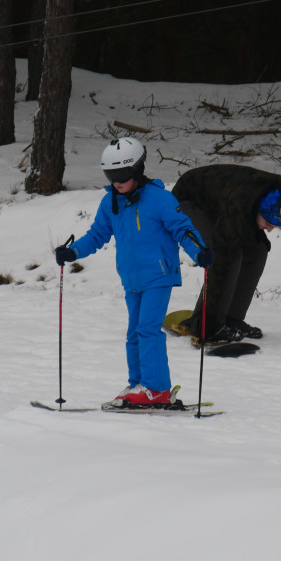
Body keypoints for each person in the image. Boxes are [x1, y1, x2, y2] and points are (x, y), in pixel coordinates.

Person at [54, 137, 213, 407]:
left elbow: (182, 228)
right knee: (134, 333)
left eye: (122, 175)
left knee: (148, 330)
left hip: (159, 275)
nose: (117, 182)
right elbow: (97, 235)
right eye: (111, 175)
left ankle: (157, 388)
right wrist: (74, 252)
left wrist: (199, 251)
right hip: (132, 278)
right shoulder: (111, 203)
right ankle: (138, 384)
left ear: (137, 170)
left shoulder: (160, 199)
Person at [171, 164, 281, 343]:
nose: (269, 230)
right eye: (268, 223)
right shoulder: (241, 204)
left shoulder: (279, 197)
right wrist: (208, 327)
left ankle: (231, 320)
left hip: (221, 202)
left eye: (275, 226)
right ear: (259, 210)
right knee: (228, 254)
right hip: (189, 199)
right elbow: (221, 257)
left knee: (257, 251)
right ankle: (209, 323)